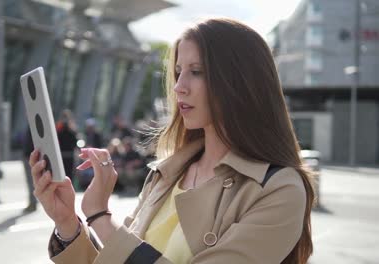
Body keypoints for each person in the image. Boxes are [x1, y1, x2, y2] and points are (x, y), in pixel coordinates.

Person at [29, 18, 315, 264]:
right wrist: (68, 224)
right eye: (178, 72)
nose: (179, 87)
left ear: (240, 81)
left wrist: (100, 216)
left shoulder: (278, 189)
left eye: (197, 72)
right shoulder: (166, 173)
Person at [56, 109, 78, 184]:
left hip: (69, 154)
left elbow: (75, 141)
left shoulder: (71, 128)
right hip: (62, 154)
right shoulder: (59, 128)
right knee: (63, 175)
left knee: (68, 175)